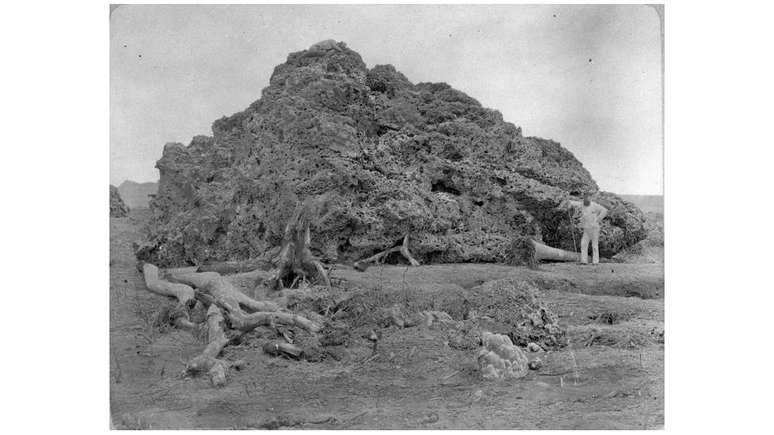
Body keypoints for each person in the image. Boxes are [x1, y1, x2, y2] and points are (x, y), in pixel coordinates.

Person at [566, 195, 608, 264]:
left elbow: (604, 210)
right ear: (584, 200)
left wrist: (597, 220)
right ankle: (584, 261)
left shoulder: (595, 205)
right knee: (583, 244)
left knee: (594, 245)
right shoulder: (582, 204)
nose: (585, 202)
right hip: (586, 229)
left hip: (594, 228)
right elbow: (575, 203)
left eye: (587, 201)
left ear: (590, 200)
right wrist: (569, 203)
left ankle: (595, 262)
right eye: (585, 201)